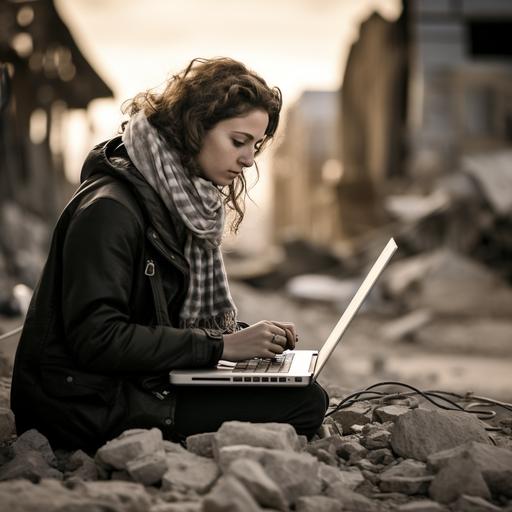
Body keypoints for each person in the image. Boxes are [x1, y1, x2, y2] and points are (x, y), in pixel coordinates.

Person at [11, 57, 329, 452]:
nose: (249, 160)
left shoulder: (173, 202)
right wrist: (221, 348)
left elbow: (159, 317)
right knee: (303, 403)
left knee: (304, 393)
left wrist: (245, 339)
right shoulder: (111, 210)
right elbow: (97, 339)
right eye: (238, 141)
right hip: (79, 404)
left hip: (133, 382)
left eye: (255, 145)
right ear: (195, 129)